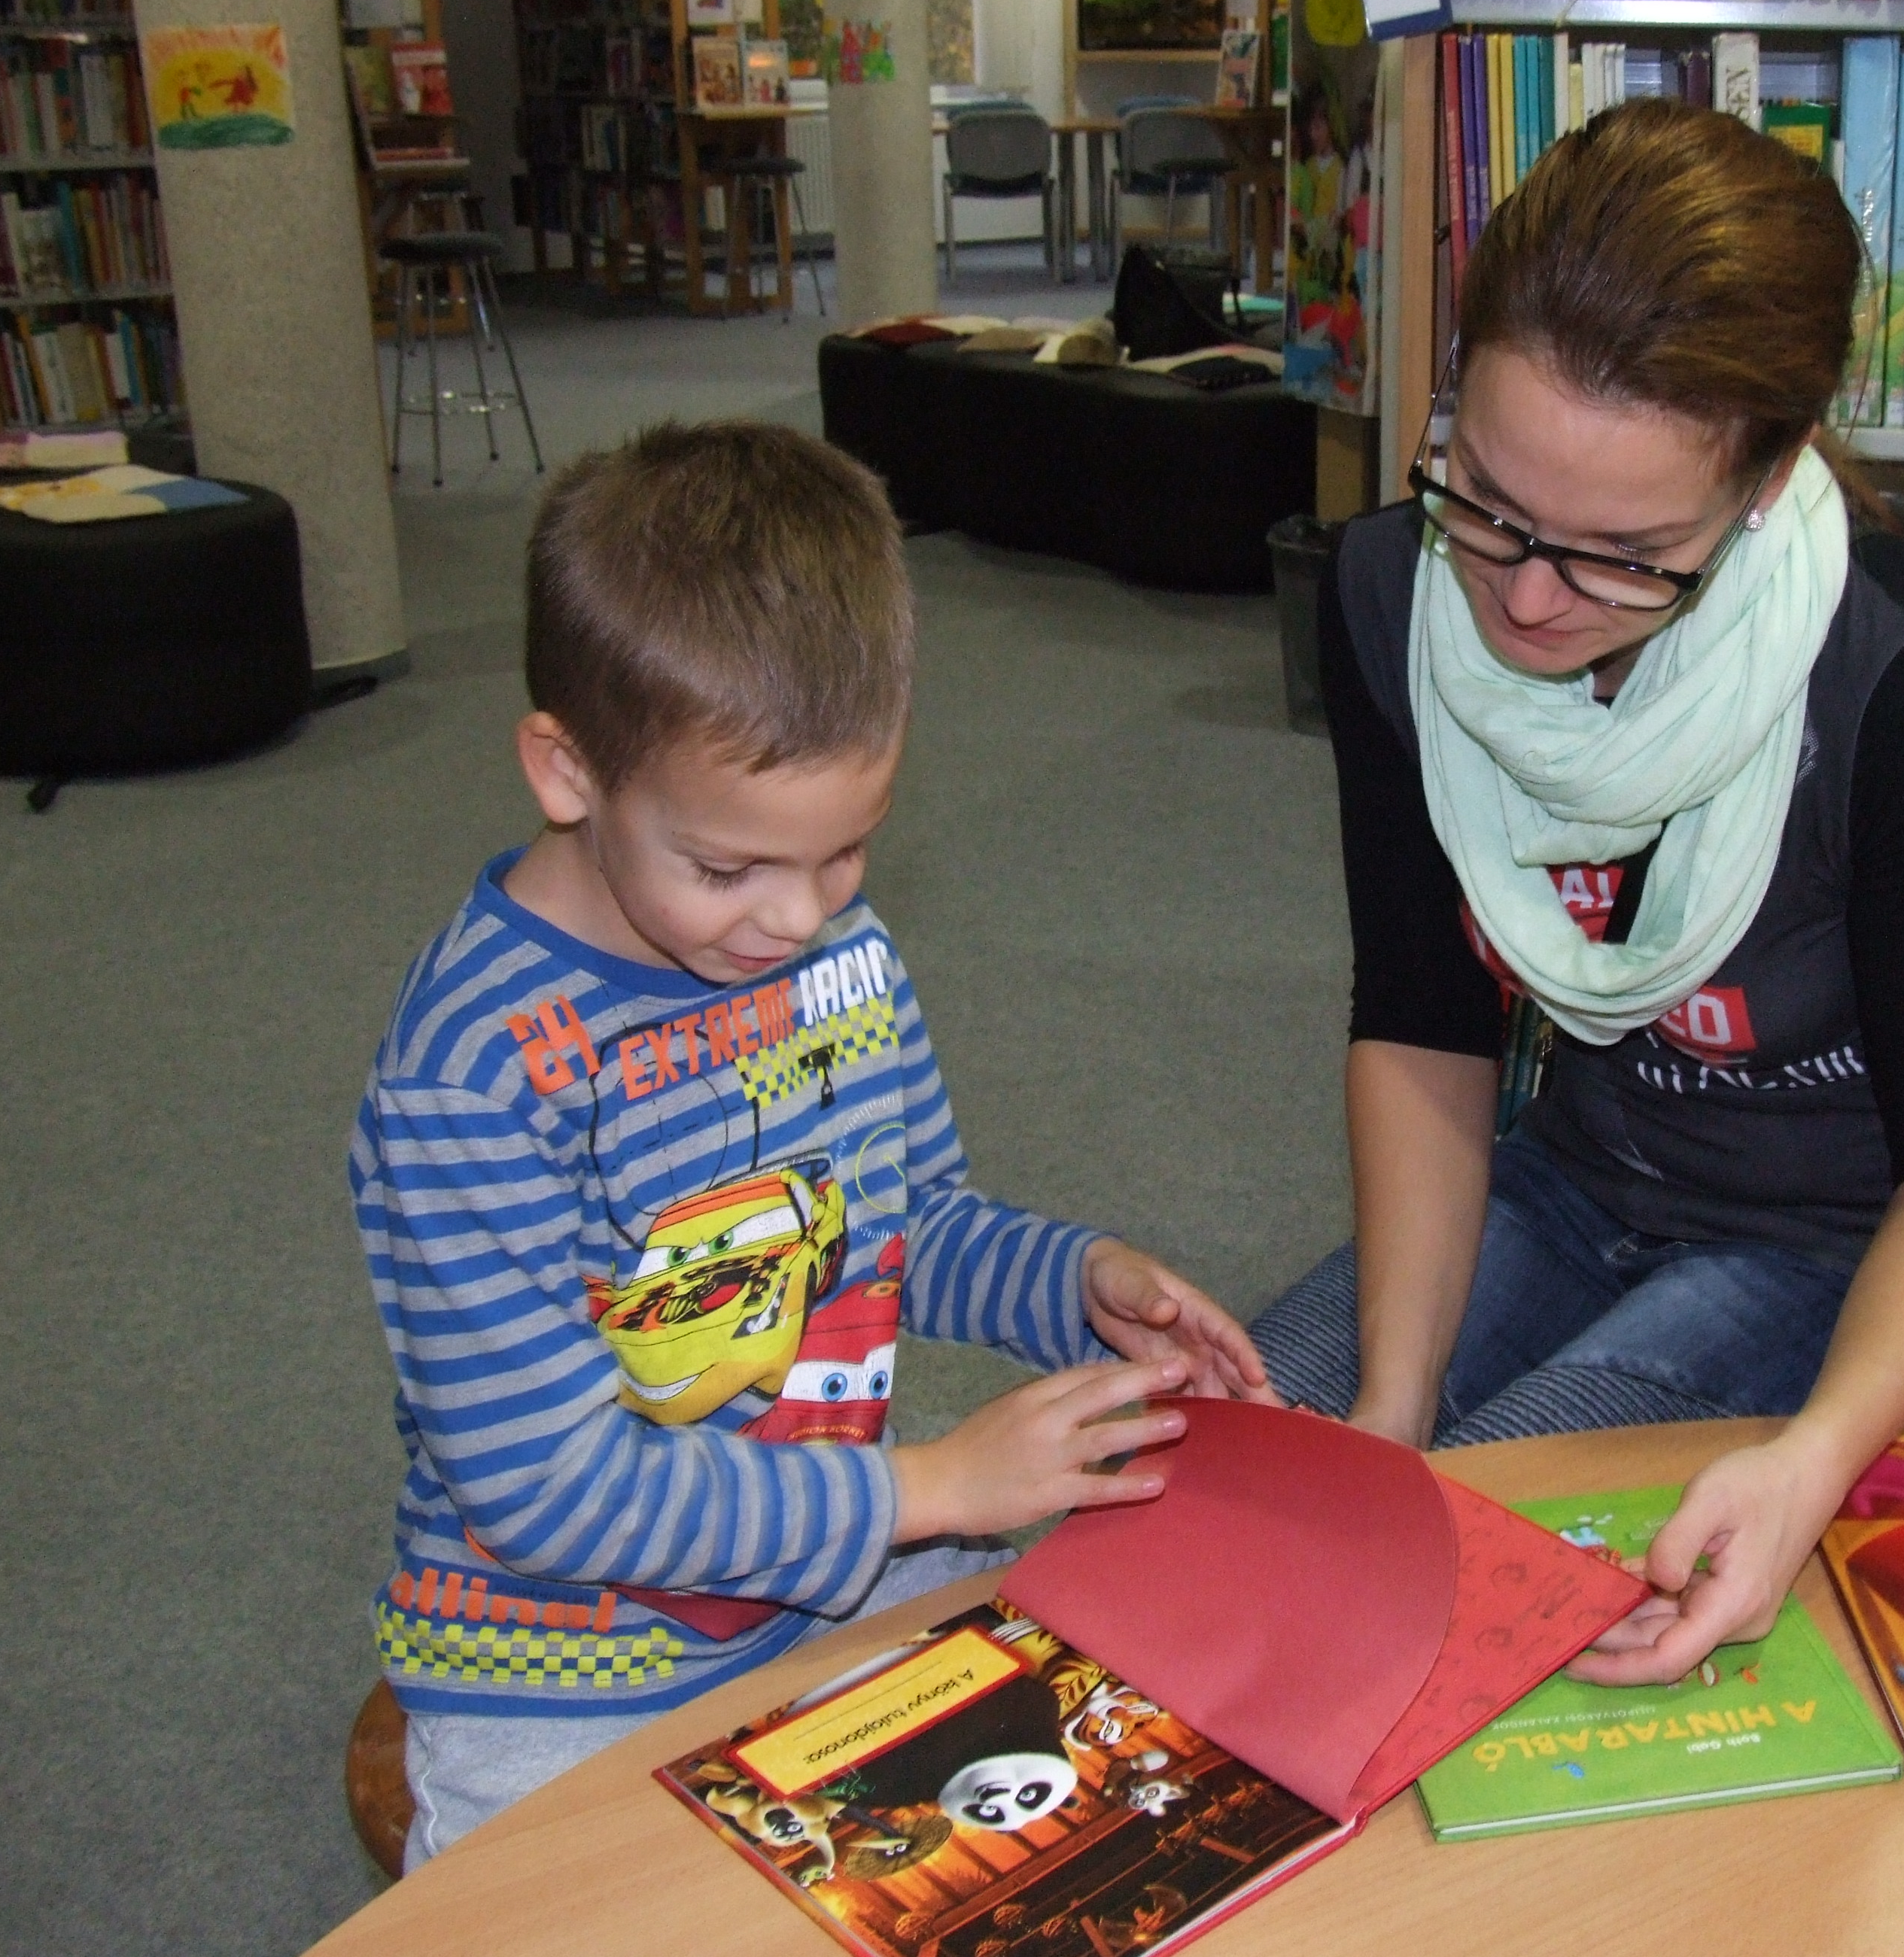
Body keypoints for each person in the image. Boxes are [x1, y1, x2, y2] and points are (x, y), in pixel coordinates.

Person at [352, 422, 1273, 1867]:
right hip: (563, 1664)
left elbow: (908, 1225)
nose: (796, 917)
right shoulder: (473, 1077)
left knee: (1089, 1808)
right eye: (728, 866)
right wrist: (930, 1489)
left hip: (836, 1572)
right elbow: (546, 1492)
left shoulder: (842, 954)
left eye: (846, 848)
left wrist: (1077, 1282)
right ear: (566, 769)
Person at [1246, 103, 1904, 1687]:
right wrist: (1390, 1408)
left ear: (1765, 483)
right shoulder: (1388, 594)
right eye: (1487, 499)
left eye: (1622, 553)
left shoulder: (1900, 672)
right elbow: (1422, 1019)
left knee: (1483, 1587)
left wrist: (1811, 1461)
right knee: (1248, 1476)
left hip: (1854, 1252)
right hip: (1583, 1181)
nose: (1522, 597)